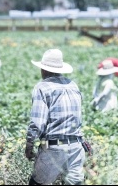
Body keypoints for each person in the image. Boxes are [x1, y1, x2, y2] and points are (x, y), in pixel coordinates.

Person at [25, 48, 90, 185]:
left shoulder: (42, 87)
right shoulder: (73, 85)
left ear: (44, 70)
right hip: (76, 146)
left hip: (55, 147)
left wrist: (29, 146)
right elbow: (76, 118)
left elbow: (37, 124)